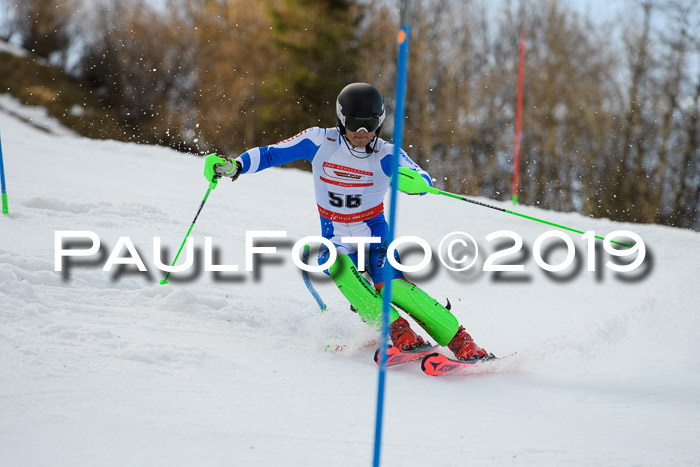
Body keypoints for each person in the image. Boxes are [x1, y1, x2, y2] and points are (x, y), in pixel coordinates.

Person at [204, 82, 489, 361]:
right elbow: (270, 154)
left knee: (393, 287)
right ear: (341, 120)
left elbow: (417, 174)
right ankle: (398, 331)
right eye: (354, 124)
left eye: (370, 124)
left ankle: (462, 342)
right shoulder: (320, 141)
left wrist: (416, 182)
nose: (362, 133)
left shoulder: (385, 153)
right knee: (336, 265)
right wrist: (236, 166)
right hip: (337, 240)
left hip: (376, 239)